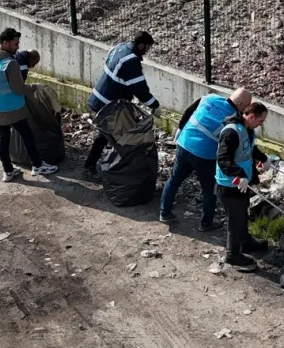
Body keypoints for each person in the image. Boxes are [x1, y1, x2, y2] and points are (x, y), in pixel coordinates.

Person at [159, 88, 253, 231]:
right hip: (205, 155)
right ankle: (206, 223)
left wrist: (180, 129)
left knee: (174, 179)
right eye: (246, 106)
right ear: (240, 104)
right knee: (209, 189)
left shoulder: (210, 98)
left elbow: (189, 111)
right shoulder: (234, 119)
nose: (246, 110)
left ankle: (164, 212)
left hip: (184, 143)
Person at [0, 27, 58, 181]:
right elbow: (19, 88)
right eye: (15, 44)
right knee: (27, 135)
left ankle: (7, 171)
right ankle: (37, 165)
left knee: (3, 138)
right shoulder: (10, 64)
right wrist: (35, 87)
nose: (18, 47)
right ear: (5, 43)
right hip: (12, 108)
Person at [84, 31, 160, 178]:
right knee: (108, 135)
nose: (147, 51)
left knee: (111, 134)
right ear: (141, 45)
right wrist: (154, 105)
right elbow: (139, 88)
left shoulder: (120, 47)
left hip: (101, 98)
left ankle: (113, 164)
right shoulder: (131, 61)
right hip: (109, 104)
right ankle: (93, 166)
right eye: (147, 47)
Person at [215, 100, 270, 272]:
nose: (261, 124)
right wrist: (239, 174)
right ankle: (232, 255)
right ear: (251, 116)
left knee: (242, 214)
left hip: (241, 183)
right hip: (230, 185)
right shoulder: (231, 132)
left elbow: (249, 149)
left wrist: (263, 159)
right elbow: (223, 159)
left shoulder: (246, 129)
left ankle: (245, 241)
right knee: (236, 220)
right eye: (260, 121)